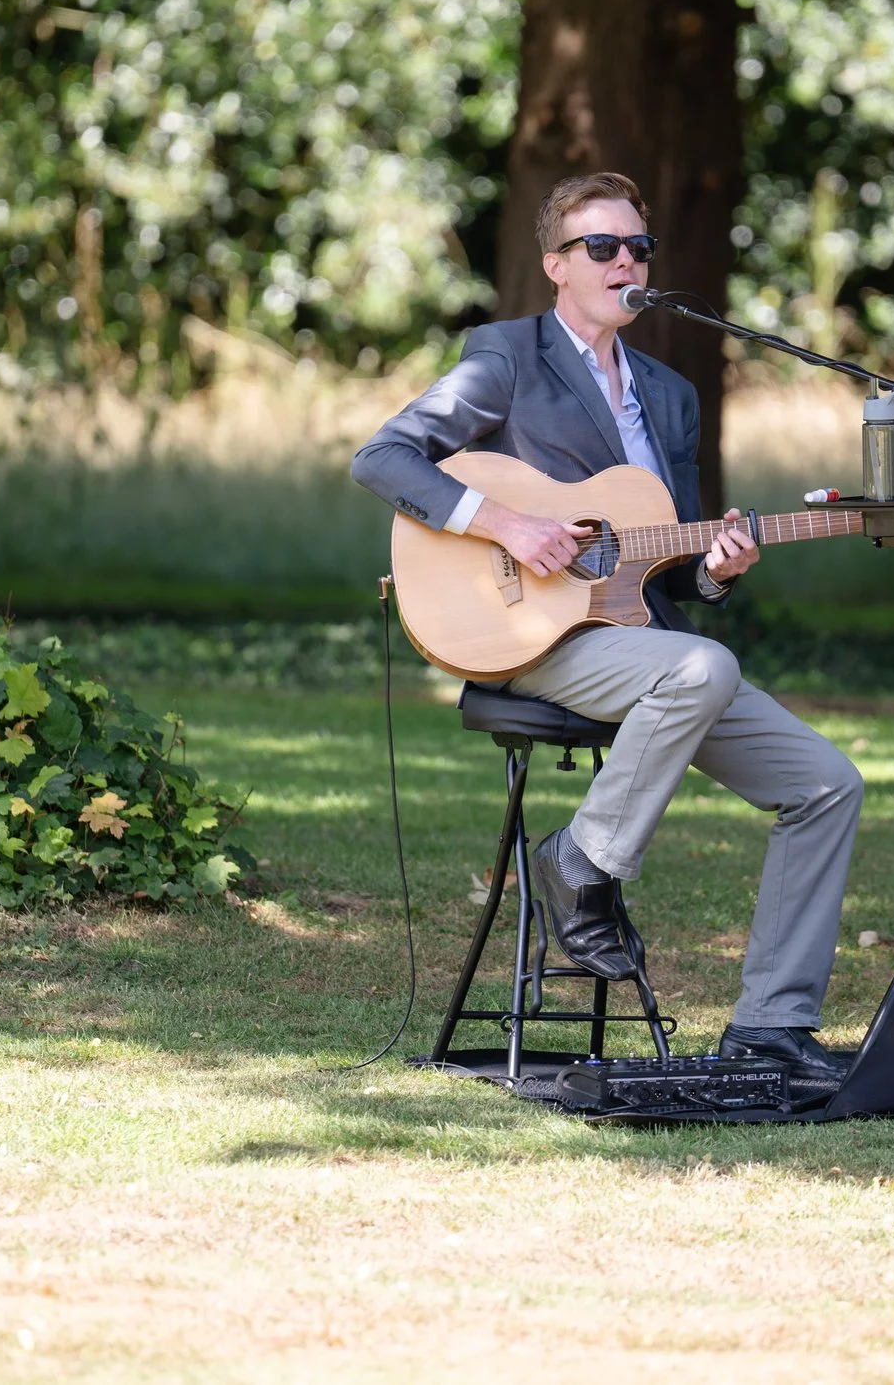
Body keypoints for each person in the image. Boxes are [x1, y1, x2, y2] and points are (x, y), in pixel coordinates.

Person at [351, 172, 863, 1077]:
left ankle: (772, 1025)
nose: (626, 261)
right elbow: (383, 456)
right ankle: (578, 861)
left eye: (639, 247)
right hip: (527, 639)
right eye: (603, 246)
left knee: (827, 782)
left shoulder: (668, 394)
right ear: (556, 265)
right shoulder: (507, 356)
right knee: (701, 668)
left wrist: (714, 570)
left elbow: (676, 558)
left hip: (646, 642)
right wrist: (507, 523)